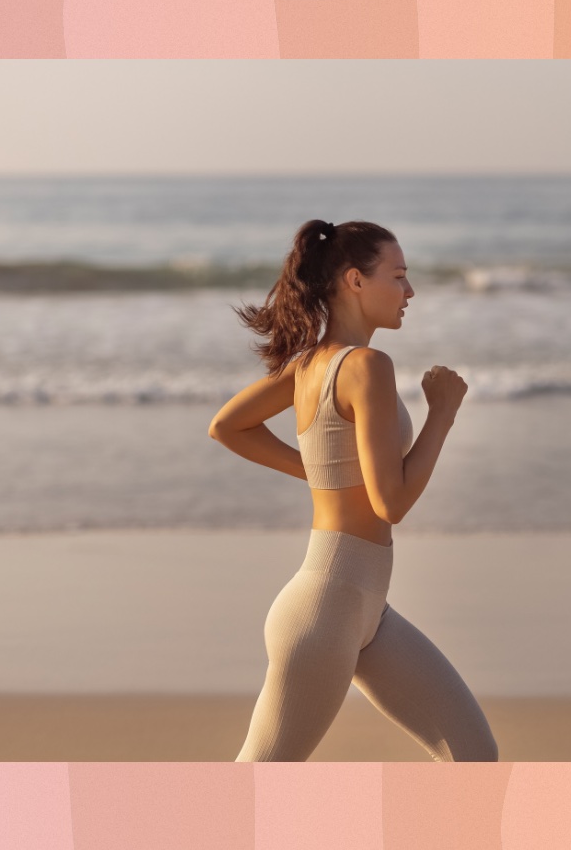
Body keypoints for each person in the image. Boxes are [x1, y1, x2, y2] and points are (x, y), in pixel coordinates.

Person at [209, 219, 498, 762]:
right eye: (399, 276)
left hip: (366, 610)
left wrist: (323, 476)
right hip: (326, 610)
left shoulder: (309, 365)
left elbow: (227, 426)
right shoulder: (367, 366)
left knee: (475, 757)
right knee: (250, 793)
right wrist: (443, 415)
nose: (409, 292)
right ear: (355, 281)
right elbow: (392, 503)